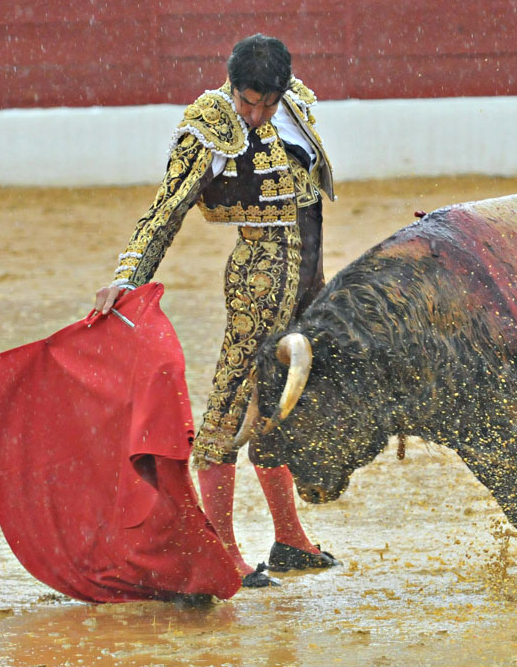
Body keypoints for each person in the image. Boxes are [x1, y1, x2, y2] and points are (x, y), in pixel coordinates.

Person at [93, 34, 338, 588]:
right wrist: (127, 277)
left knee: (281, 406)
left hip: (308, 281)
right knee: (229, 407)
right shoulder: (210, 125)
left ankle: (290, 539)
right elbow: (165, 210)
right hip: (258, 283)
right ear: (232, 86)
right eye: (247, 101)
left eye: (265, 103)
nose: (255, 114)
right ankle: (222, 548)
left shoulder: (292, 106)